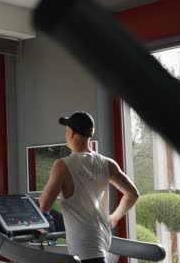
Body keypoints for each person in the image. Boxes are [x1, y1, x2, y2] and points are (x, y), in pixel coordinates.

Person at [39, 111, 140, 263]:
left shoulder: (62, 165)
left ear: (71, 133)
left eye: (66, 130)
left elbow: (44, 205)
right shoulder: (107, 164)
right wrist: (114, 217)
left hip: (84, 245)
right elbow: (133, 194)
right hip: (103, 237)